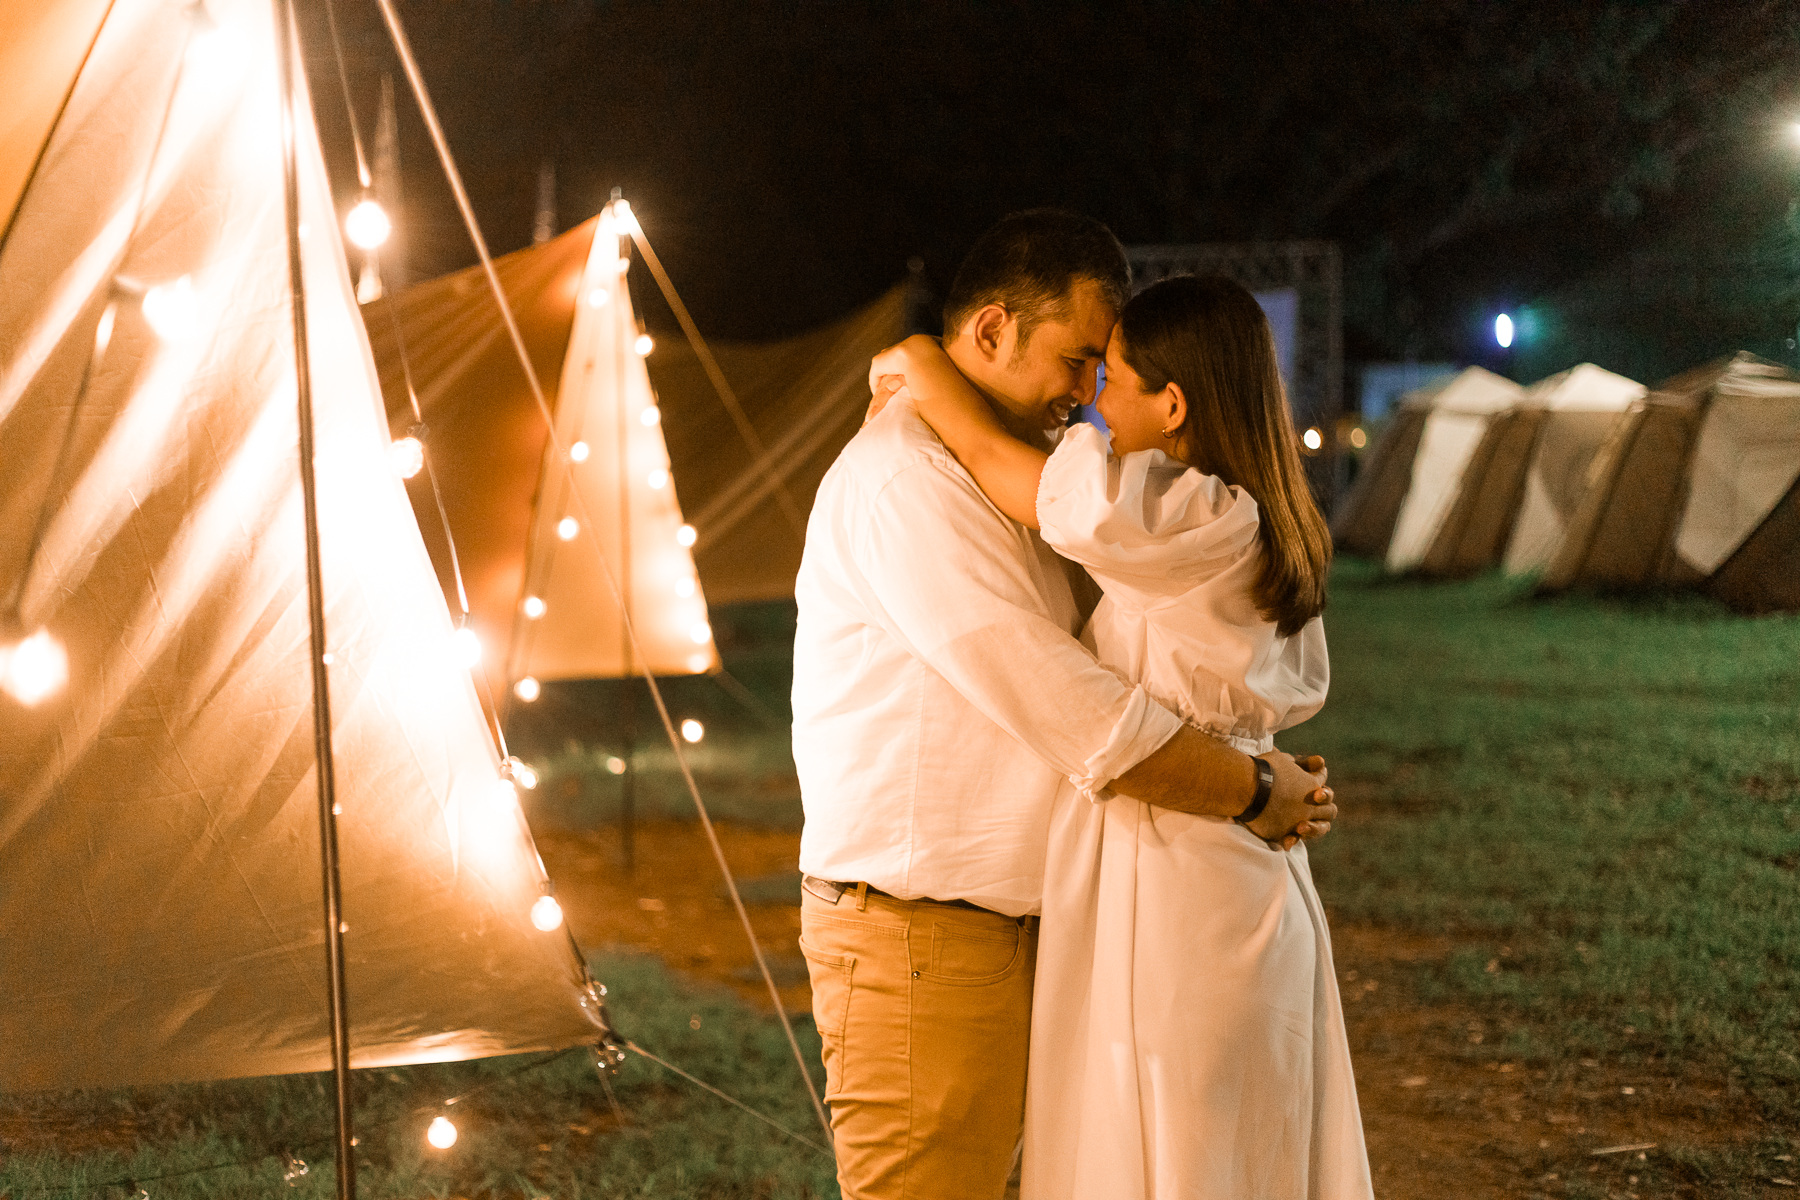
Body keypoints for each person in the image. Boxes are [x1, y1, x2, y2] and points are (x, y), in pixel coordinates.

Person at [790, 210, 1338, 1200]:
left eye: (1104, 371)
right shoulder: (910, 483)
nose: (1087, 396)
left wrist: (925, 366)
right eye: (1080, 360)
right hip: (927, 939)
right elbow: (1084, 715)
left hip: (1051, 922)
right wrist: (1258, 789)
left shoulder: (1065, 493)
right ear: (992, 330)